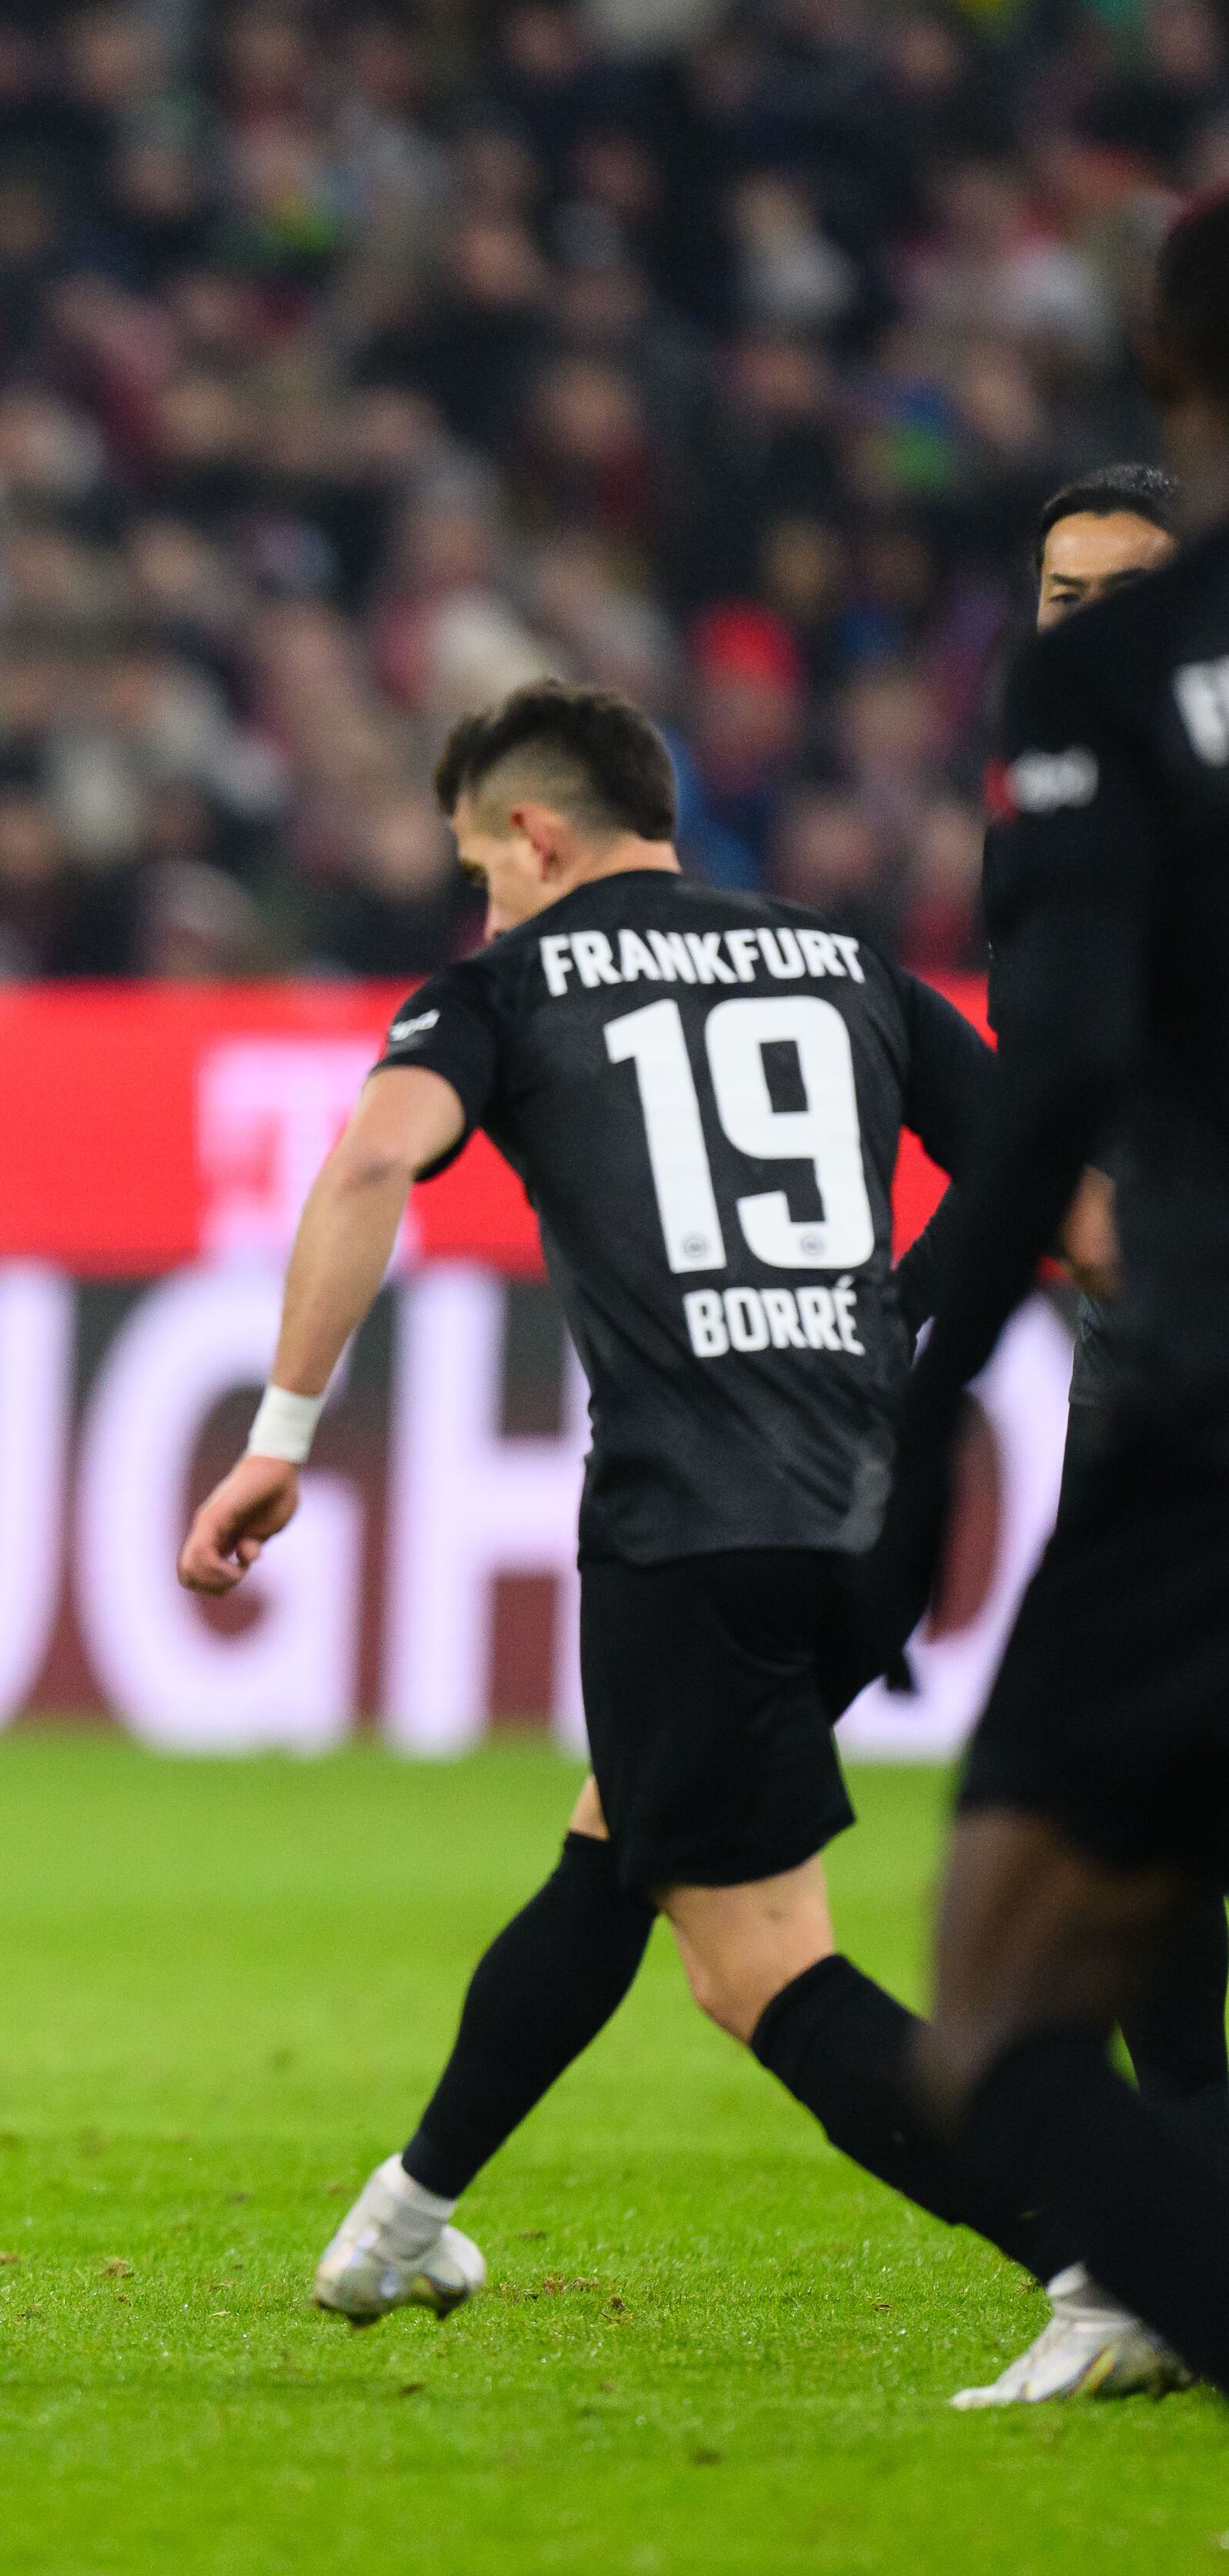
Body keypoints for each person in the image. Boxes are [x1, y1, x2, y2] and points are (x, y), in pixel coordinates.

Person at [174, 679, 1144, 2395]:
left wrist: (278, 1437)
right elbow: (1077, 1214)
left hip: (692, 1522)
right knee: (617, 1836)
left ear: (536, 833)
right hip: (879, 1516)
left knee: (756, 1965)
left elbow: (367, 1166)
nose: (482, 901)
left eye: (482, 865)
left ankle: (1111, 2256)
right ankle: (408, 2209)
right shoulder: (852, 965)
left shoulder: (503, 985)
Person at [886, 190, 1229, 2394]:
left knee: (1000, 2002)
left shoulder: (1114, 684)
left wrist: (926, 1401)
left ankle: (1145, 2276)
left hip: (1201, 1391)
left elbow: (1067, 1070)